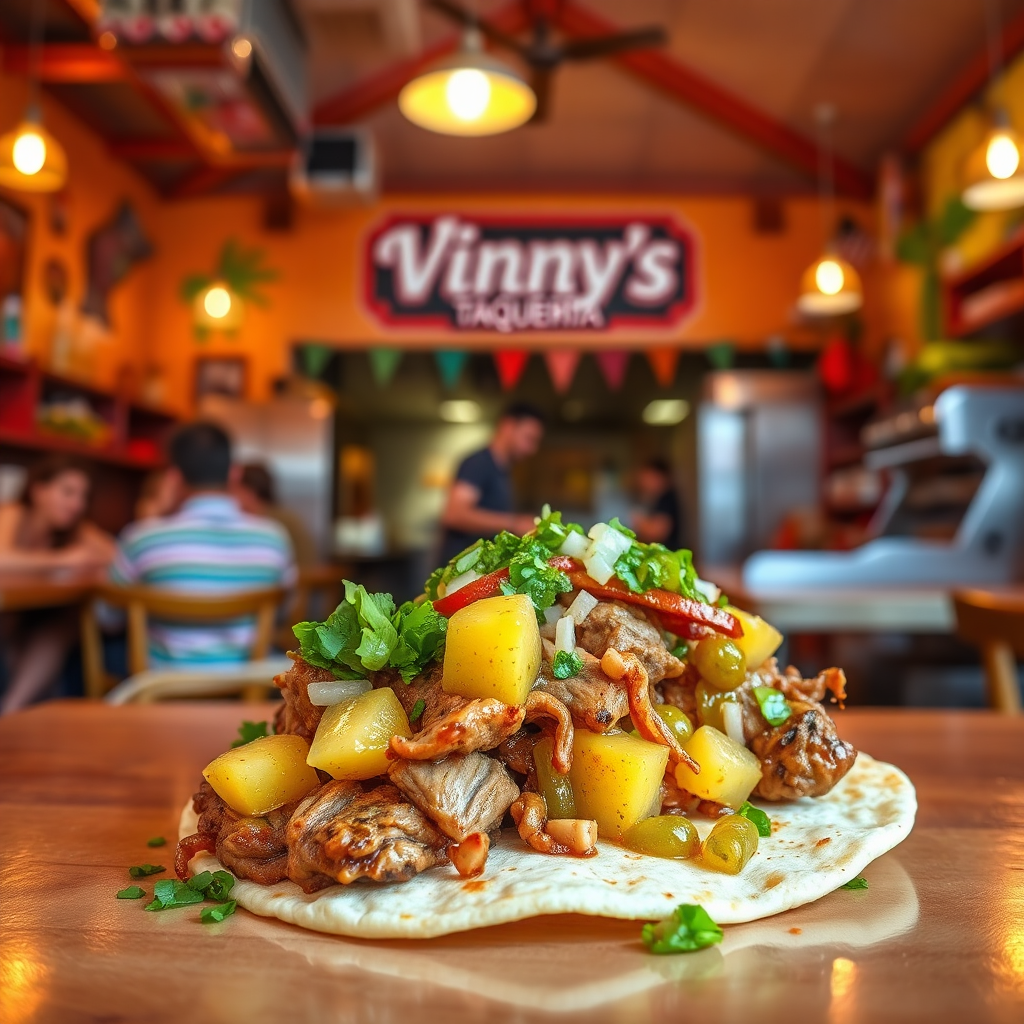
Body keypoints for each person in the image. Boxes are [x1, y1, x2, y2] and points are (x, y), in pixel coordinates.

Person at [108, 422, 296, 669]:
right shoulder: (274, 538)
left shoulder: (142, 538)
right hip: (247, 687)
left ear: (174, 478)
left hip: (159, 689)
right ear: (234, 474)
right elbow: (284, 612)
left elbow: (108, 618)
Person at [0, 456, 115, 715]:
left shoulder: (74, 528)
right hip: (9, 613)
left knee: (66, 623)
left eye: (82, 496)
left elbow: (113, 553)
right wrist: (62, 560)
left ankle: (11, 710)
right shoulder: (13, 512)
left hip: (35, 614)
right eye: (67, 492)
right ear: (38, 490)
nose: (77, 504)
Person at [439, 402, 545, 563]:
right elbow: (454, 514)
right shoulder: (479, 463)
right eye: (529, 438)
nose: (533, 449)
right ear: (508, 426)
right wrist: (515, 523)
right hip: (460, 572)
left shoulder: (503, 471)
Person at [234, 462, 317, 567]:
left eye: (234, 489)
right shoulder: (237, 522)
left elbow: (307, 566)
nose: (229, 495)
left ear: (249, 492)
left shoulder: (286, 522)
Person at [631, 457, 686, 550]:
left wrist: (639, 521)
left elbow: (658, 532)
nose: (643, 481)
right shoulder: (656, 498)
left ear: (659, 477)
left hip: (668, 554)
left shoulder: (667, 498)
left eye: (648, 476)